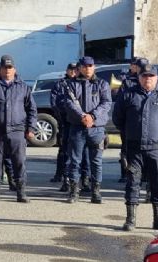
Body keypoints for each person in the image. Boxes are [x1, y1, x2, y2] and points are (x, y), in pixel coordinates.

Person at [113, 63, 158, 231]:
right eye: (144, 76)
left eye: (151, 76)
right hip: (134, 148)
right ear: (139, 78)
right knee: (133, 182)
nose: (147, 79)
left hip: (157, 148)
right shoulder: (128, 95)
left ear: (157, 78)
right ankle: (130, 219)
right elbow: (118, 119)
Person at [0, 55, 37, 203]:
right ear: (0, 69)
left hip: (17, 130)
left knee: (19, 162)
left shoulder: (22, 87)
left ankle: (21, 192)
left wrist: (31, 127)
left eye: (10, 68)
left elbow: (32, 109)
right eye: (5, 68)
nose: (7, 71)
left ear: (14, 69)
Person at [58, 56, 112, 204]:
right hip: (77, 127)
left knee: (96, 161)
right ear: (80, 68)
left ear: (94, 67)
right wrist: (82, 116)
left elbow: (106, 103)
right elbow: (69, 103)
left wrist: (92, 116)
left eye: (91, 66)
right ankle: (74, 191)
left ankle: (95, 191)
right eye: (85, 66)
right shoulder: (71, 84)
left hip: (96, 128)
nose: (88, 69)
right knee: (75, 160)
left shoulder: (102, 84)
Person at [116, 57, 147, 183]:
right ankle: (125, 173)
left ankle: (143, 174)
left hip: (144, 121)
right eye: (137, 66)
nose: (140, 68)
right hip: (129, 122)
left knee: (145, 149)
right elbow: (120, 102)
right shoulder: (126, 80)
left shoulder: (149, 79)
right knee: (126, 148)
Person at [50, 62, 78, 189]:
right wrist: (60, 118)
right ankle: (59, 174)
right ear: (67, 70)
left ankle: (76, 179)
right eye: (70, 70)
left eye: (75, 70)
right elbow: (54, 102)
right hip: (64, 121)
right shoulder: (60, 84)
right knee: (63, 150)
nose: (73, 72)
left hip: (77, 121)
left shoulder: (80, 83)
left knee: (76, 151)